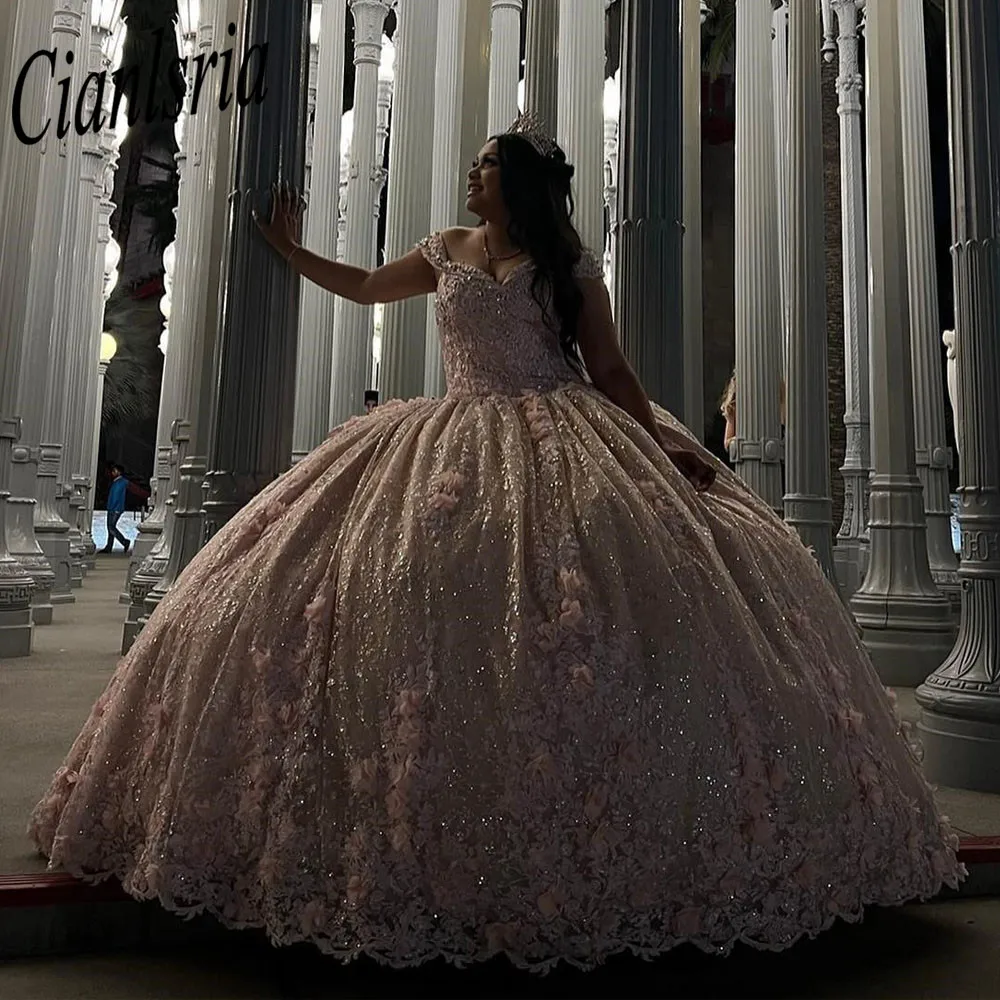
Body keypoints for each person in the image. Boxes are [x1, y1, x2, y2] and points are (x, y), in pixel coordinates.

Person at [30, 115, 962, 971]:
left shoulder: (567, 269)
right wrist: (291, 249)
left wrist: (660, 451)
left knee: (602, 605)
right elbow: (362, 288)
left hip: (566, 436)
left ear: (513, 184)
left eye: (482, 167)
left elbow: (610, 369)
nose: (470, 177)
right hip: (456, 431)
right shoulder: (446, 252)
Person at [102, 463, 132, 554]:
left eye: (114, 471)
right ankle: (109, 547)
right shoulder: (118, 482)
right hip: (114, 507)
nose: (112, 473)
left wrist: (112, 507)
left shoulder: (120, 483)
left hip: (115, 508)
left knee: (111, 527)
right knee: (110, 527)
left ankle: (124, 541)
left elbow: (115, 496)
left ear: (119, 472)